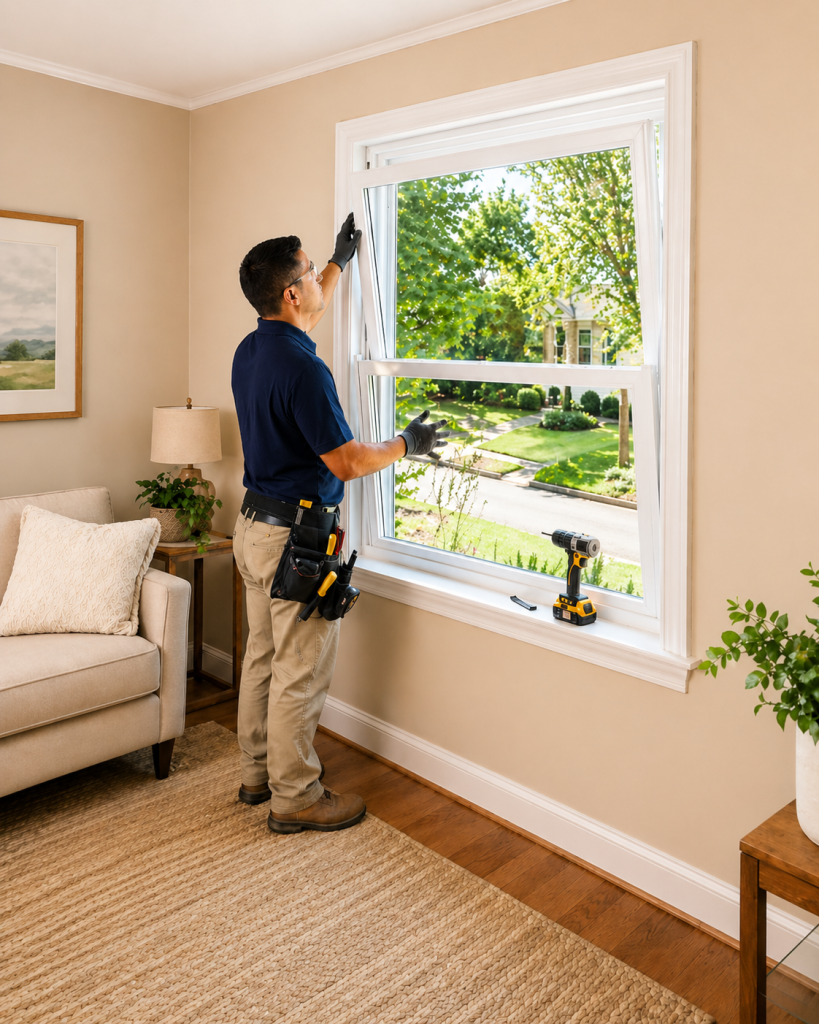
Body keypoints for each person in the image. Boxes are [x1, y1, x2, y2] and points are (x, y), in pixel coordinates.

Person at [232, 214, 448, 834]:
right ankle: (295, 797)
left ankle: (256, 775)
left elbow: (306, 315)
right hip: (295, 541)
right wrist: (407, 442)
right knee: (299, 672)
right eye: (309, 274)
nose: (315, 283)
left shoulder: (255, 349)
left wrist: (336, 261)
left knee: (262, 659)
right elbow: (348, 462)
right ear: (292, 292)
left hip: (253, 527)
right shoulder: (306, 371)